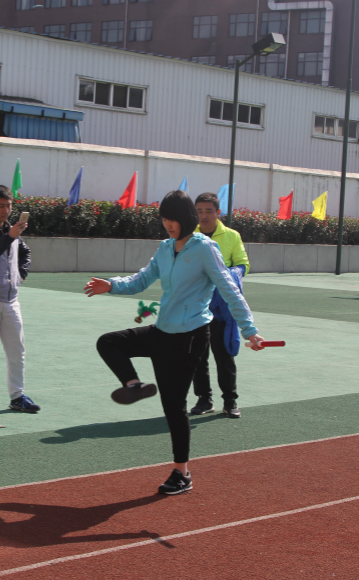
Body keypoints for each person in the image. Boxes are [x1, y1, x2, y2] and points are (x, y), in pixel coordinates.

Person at [85, 190, 264, 495]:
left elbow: (230, 290)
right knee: (109, 342)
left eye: (173, 219)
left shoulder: (205, 248)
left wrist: (250, 331)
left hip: (190, 338)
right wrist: (111, 285)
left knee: (174, 406)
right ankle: (133, 385)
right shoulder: (166, 248)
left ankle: (182, 473)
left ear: (186, 218)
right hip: (162, 331)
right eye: (164, 219)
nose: (168, 224)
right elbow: (141, 280)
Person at [189, 192, 251, 419]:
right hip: (196, 305)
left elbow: (243, 264)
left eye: (208, 211)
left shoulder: (232, 236)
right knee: (197, 356)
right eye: (199, 211)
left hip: (222, 307)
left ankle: (230, 401)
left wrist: (232, 273)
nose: (203, 216)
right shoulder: (189, 235)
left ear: (218, 213)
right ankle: (204, 399)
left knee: (224, 355)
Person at [0, 185, 39, 415]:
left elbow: (25, 253)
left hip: (10, 300)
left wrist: (21, 274)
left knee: (17, 351)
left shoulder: (11, 230)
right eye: (1, 206)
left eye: (8, 206)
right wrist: (9, 237)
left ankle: (17, 396)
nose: (6, 210)